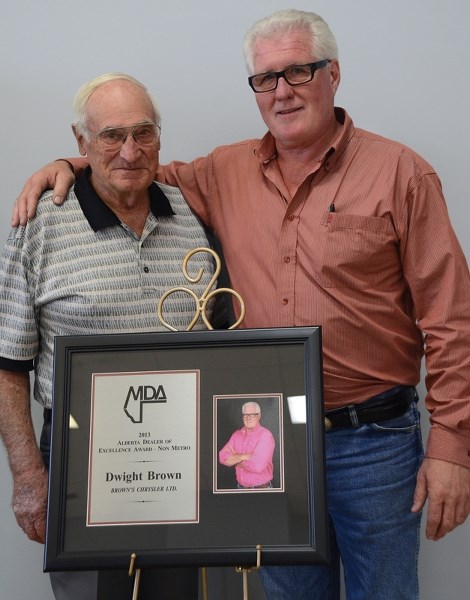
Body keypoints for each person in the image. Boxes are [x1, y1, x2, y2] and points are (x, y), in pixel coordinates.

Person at [11, 8, 470, 600]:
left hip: (373, 446)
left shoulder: (401, 175)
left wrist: (453, 446)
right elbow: (134, 169)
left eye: (299, 72)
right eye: (265, 78)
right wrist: (70, 164)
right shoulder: (224, 171)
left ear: (334, 74)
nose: (281, 91)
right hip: (270, 447)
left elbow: (451, 319)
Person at [0, 72, 229, 600]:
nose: (130, 150)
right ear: (80, 143)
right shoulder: (38, 226)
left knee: (182, 591)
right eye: (111, 135)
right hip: (80, 456)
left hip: (183, 452)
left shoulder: (192, 216)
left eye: (144, 133)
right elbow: (9, 367)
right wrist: (30, 477)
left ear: (159, 138)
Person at [219, 401, 275, 489]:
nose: (248, 418)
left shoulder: (265, 435)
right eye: (246, 414)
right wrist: (244, 456)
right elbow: (222, 457)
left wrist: (234, 460)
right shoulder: (236, 435)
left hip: (260, 489)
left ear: (259, 416)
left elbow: (257, 466)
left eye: (252, 414)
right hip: (240, 488)